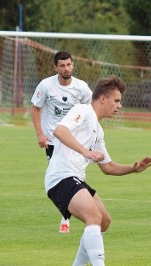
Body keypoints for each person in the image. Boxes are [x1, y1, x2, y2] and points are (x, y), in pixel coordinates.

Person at [45, 76, 151, 266]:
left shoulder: (98, 130)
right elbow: (60, 131)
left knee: (103, 220)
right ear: (102, 99)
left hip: (75, 178)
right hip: (60, 177)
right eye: (116, 101)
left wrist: (133, 169)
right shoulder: (84, 111)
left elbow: (108, 167)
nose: (119, 106)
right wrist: (85, 151)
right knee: (93, 216)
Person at [31, 51, 93, 234]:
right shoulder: (46, 86)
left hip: (75, 141)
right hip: (53, 141)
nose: (66, 68)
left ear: (73, 65)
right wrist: (40, 135)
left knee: (76, 174)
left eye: (69, 65)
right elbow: (35, 109)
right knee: (58, 176)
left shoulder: (82, 88)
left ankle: (68, 213)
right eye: (62, 65)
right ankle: (66, 215)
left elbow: (91, 111)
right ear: (55, 67)